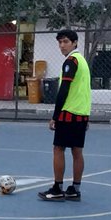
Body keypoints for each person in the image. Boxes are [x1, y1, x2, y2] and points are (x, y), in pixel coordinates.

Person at [38, 29, 91, 201]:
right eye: (60, 42)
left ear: (75, 43)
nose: (62, 45)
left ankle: (57, 188)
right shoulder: (82, 61)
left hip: (68, 112)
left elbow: (64, 89)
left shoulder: (72, 61)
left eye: (66, 41)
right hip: (81, 112)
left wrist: (55, 115)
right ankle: (75, 188)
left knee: (58, 148)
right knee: (77, 151)